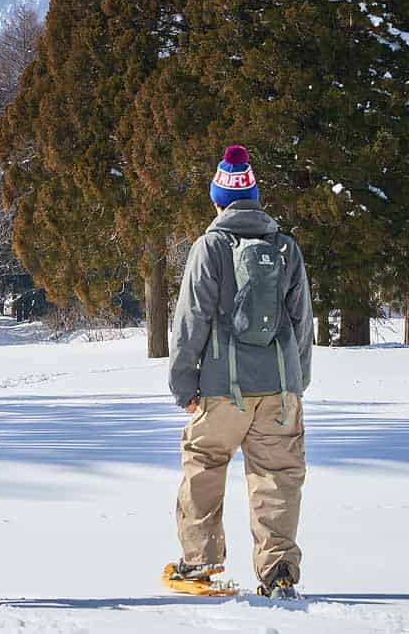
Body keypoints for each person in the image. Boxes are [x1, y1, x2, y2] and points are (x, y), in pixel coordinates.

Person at [165, 145, 314, 599]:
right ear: (255, 197)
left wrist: (183, 383)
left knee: (205, 464)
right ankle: (279, 572)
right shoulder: (285, 246)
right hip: (279, 389)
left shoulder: (210, 247)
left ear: (217, 200)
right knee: (276, 476)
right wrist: (297, 382)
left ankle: (200, 563)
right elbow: (302, 321)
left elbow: (191, 319)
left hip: (221, 389)